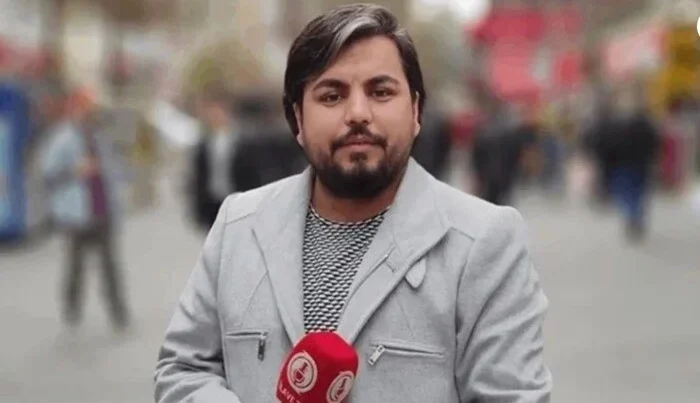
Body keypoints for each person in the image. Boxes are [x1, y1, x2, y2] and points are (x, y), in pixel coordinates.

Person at [154, 4, 551, 402]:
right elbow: (183, 369)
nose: (358, 113)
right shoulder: (238, 225)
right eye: (332, 95)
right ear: (298, 119)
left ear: (415, 110)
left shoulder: (484, 241)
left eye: (381, 92)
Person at [40, 88, 129, 330]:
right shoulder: (62, 138)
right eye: (84, 109)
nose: (89, 114)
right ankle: (72, 307)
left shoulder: (99, 136)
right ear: (74, 109)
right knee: (75, 266)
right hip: (76, 214)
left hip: (102, 210)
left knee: (109, 266)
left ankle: (118, 311)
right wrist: (75, 170)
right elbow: (48, 172)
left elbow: (113, 167)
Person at [188, 87, 240, 230]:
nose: (214, 117)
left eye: (218, 112)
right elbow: (198, 177)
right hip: (211, 200)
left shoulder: (239, 140)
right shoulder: (204, 143)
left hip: (235, 197)